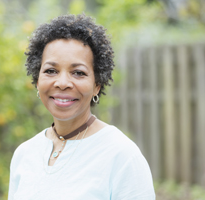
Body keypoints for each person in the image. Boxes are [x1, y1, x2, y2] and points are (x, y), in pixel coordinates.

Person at [8, 14, 155, 200]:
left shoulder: (121, 155)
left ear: (97, 85)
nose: (62, 83)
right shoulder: (24, 154)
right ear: (37, 80)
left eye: (78, 73)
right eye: (51, 71)